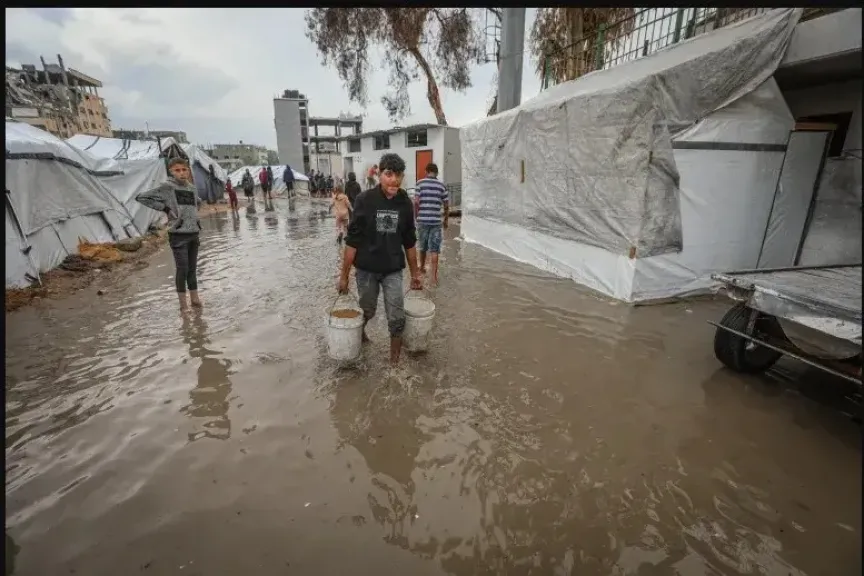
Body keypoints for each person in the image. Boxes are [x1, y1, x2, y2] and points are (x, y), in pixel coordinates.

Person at [338, 153, 422, 365]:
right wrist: (344, 276)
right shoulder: (364, 201)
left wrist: (415, 274)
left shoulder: (405, 203)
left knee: (396, 317)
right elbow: (352, 241)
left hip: (393, 270)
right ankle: (360, 335)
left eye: (399, 175)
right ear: (379, 175)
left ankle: (394, 364)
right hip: (366, 269)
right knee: (367, 309)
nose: (394, 180)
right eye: (389, 174)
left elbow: (410, 242)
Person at [136, 158, 203, 311]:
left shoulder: (191, 188)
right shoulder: (167, 187)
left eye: (184, 169)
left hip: (194, 233)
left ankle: (195, 298)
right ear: (171, 172)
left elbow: (197, 202)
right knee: (183, 269)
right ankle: (183, 305)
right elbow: (142, 197)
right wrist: (165, 208)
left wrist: (194, 215)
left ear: (188, 171)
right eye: (177, 170)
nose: (181, 173)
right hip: (178, 235)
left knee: (192, 268)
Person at [413, 162, 450, 286]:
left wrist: (416, 217)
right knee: (434, 249)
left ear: (426, 171)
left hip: (422, 221)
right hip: (435, 222)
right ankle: (433, 278)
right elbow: (446, 205)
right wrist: (446, 220)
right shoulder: (442, 186)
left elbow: (416, 202)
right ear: (436, 172)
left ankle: (422, 268)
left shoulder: (420, 183)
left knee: (422, 247)